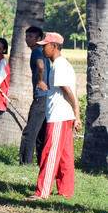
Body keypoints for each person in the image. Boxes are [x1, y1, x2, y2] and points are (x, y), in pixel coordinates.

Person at [26, 32, 81, 200]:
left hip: (58, 117)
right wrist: (75, 115)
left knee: (49, 153)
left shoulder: (58, 65)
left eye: (45, 45)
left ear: (54, 47)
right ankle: (65, 192)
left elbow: (68, 91)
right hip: (64, 116)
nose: (42, 48)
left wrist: (77, 114)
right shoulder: (62, 64)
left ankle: (42, 192)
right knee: (65, 156)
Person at [19, 26, 50, 166]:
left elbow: (40, 66)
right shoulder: (43, 52)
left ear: (39, 39)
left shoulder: (37, 51)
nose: (27, 39)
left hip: (41, 96)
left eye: (31, 36)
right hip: (47, 97)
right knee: (41, 133)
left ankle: (25, 163)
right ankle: (41, 162)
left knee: (29, 132)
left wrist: (40, 80)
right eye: (27, 36)